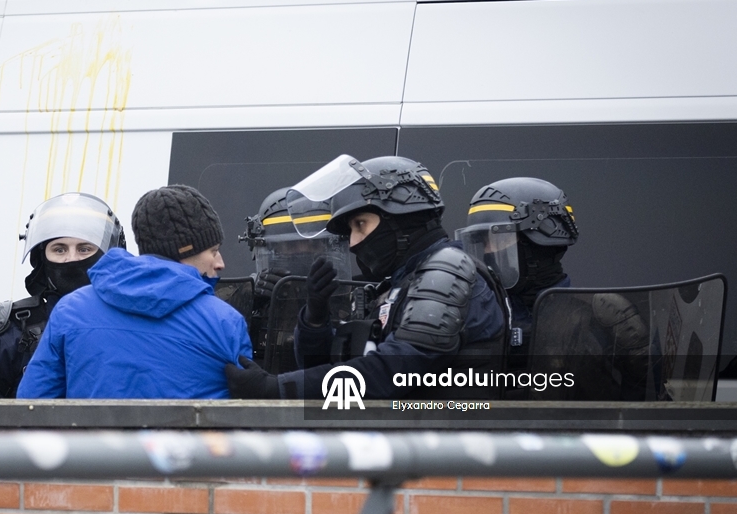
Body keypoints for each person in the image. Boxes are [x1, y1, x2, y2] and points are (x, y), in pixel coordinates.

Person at [224, 155, 508, 401]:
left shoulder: (447, 270)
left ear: (401, 217)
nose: (353, 242)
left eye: (360, 224)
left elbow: (391, 372)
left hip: (449, 449)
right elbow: (335, 366)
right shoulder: (402, 282)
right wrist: (315, 319)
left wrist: (278, 388)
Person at [18, 185, 252, 399]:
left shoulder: (70, 310)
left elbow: (33, 405)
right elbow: (244, 418)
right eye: (213, 251)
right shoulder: (226, 321)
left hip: (93, 446)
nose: (220, 262)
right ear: (184, 251)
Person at [0, 192, 126, 398]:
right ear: (42, 259)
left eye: (84, 249)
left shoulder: (131, 319)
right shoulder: (9, 329)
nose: (71, 259)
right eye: (59, 249)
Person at [456, 177, 578, 366]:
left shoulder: (590, 321)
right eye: (483, 242)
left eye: (499, 240)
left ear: (540, 244)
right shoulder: (473, 315)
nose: (488, 251)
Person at [237, 186, 351, 365]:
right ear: (272, 250)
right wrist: (248, 300)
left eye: (313, 245)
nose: (302, 254)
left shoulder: (350, 295)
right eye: (291, 247)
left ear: (327, 246)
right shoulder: (252, 292)